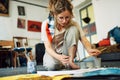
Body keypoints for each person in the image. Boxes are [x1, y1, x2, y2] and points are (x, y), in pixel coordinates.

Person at [41, 0, 101, 71]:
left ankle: (70, 61)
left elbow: (83, 39)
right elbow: (48, 47)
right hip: (53, 53)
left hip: (67, 52)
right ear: (55, 15)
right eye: (61, 18)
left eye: (67, 17)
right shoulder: (46, 24)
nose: (64, 21)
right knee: (51, 66)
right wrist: (59, 57)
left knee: (74, 29)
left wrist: (89, 49)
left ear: (71, 15)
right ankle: (62, 63)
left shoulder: (73, 23)